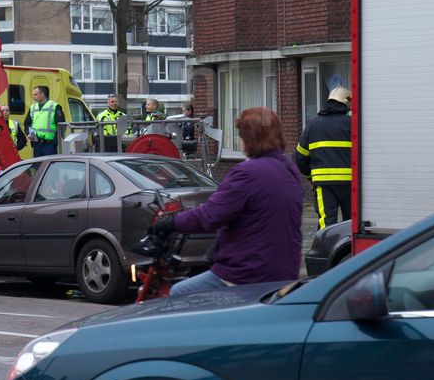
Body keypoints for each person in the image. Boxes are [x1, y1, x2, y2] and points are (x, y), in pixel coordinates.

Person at [148, 108, 303, 294]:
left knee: (179, 293)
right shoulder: (289, 170)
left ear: (249, 138)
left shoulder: (247, 172)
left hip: (247, 274)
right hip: (283, 274)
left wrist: (170, 223)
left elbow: (210, 215)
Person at [295, 84, 352, 229]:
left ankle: (327, 251)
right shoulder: (353, 124)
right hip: (351, 185)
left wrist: (310, 176)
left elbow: (300, 158)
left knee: (326, 225)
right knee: (352, 225)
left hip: (324, 185)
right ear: (346, 103)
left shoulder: (313, 125)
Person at [24, 86, 65, 158]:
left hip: (50, 144)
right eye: (33, 94)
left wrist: (55, 142)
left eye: (35, 94)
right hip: (37, 144)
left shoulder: (54, 106)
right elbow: (27, 123)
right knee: (38, 167)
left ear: (42, 94)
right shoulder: (33, 107)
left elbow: (62, 125)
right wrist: (28, 133)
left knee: (50, 167)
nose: (33, 96)